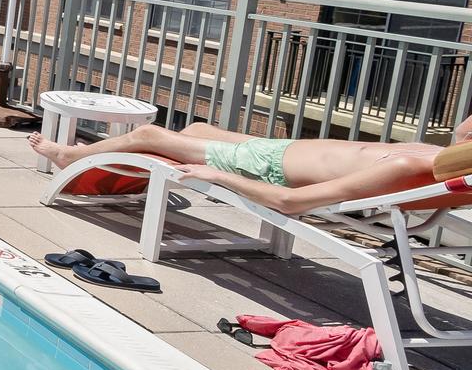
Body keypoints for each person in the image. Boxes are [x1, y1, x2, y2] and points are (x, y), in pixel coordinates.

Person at [30, 115, 472, 216]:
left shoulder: (406, 167)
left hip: (269, 167)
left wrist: (221, 177)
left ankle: (71, 157)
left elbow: (290, 201)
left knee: (148, 135)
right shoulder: (431, 159)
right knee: (199, 126)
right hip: (280, 149)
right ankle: (83, 160)